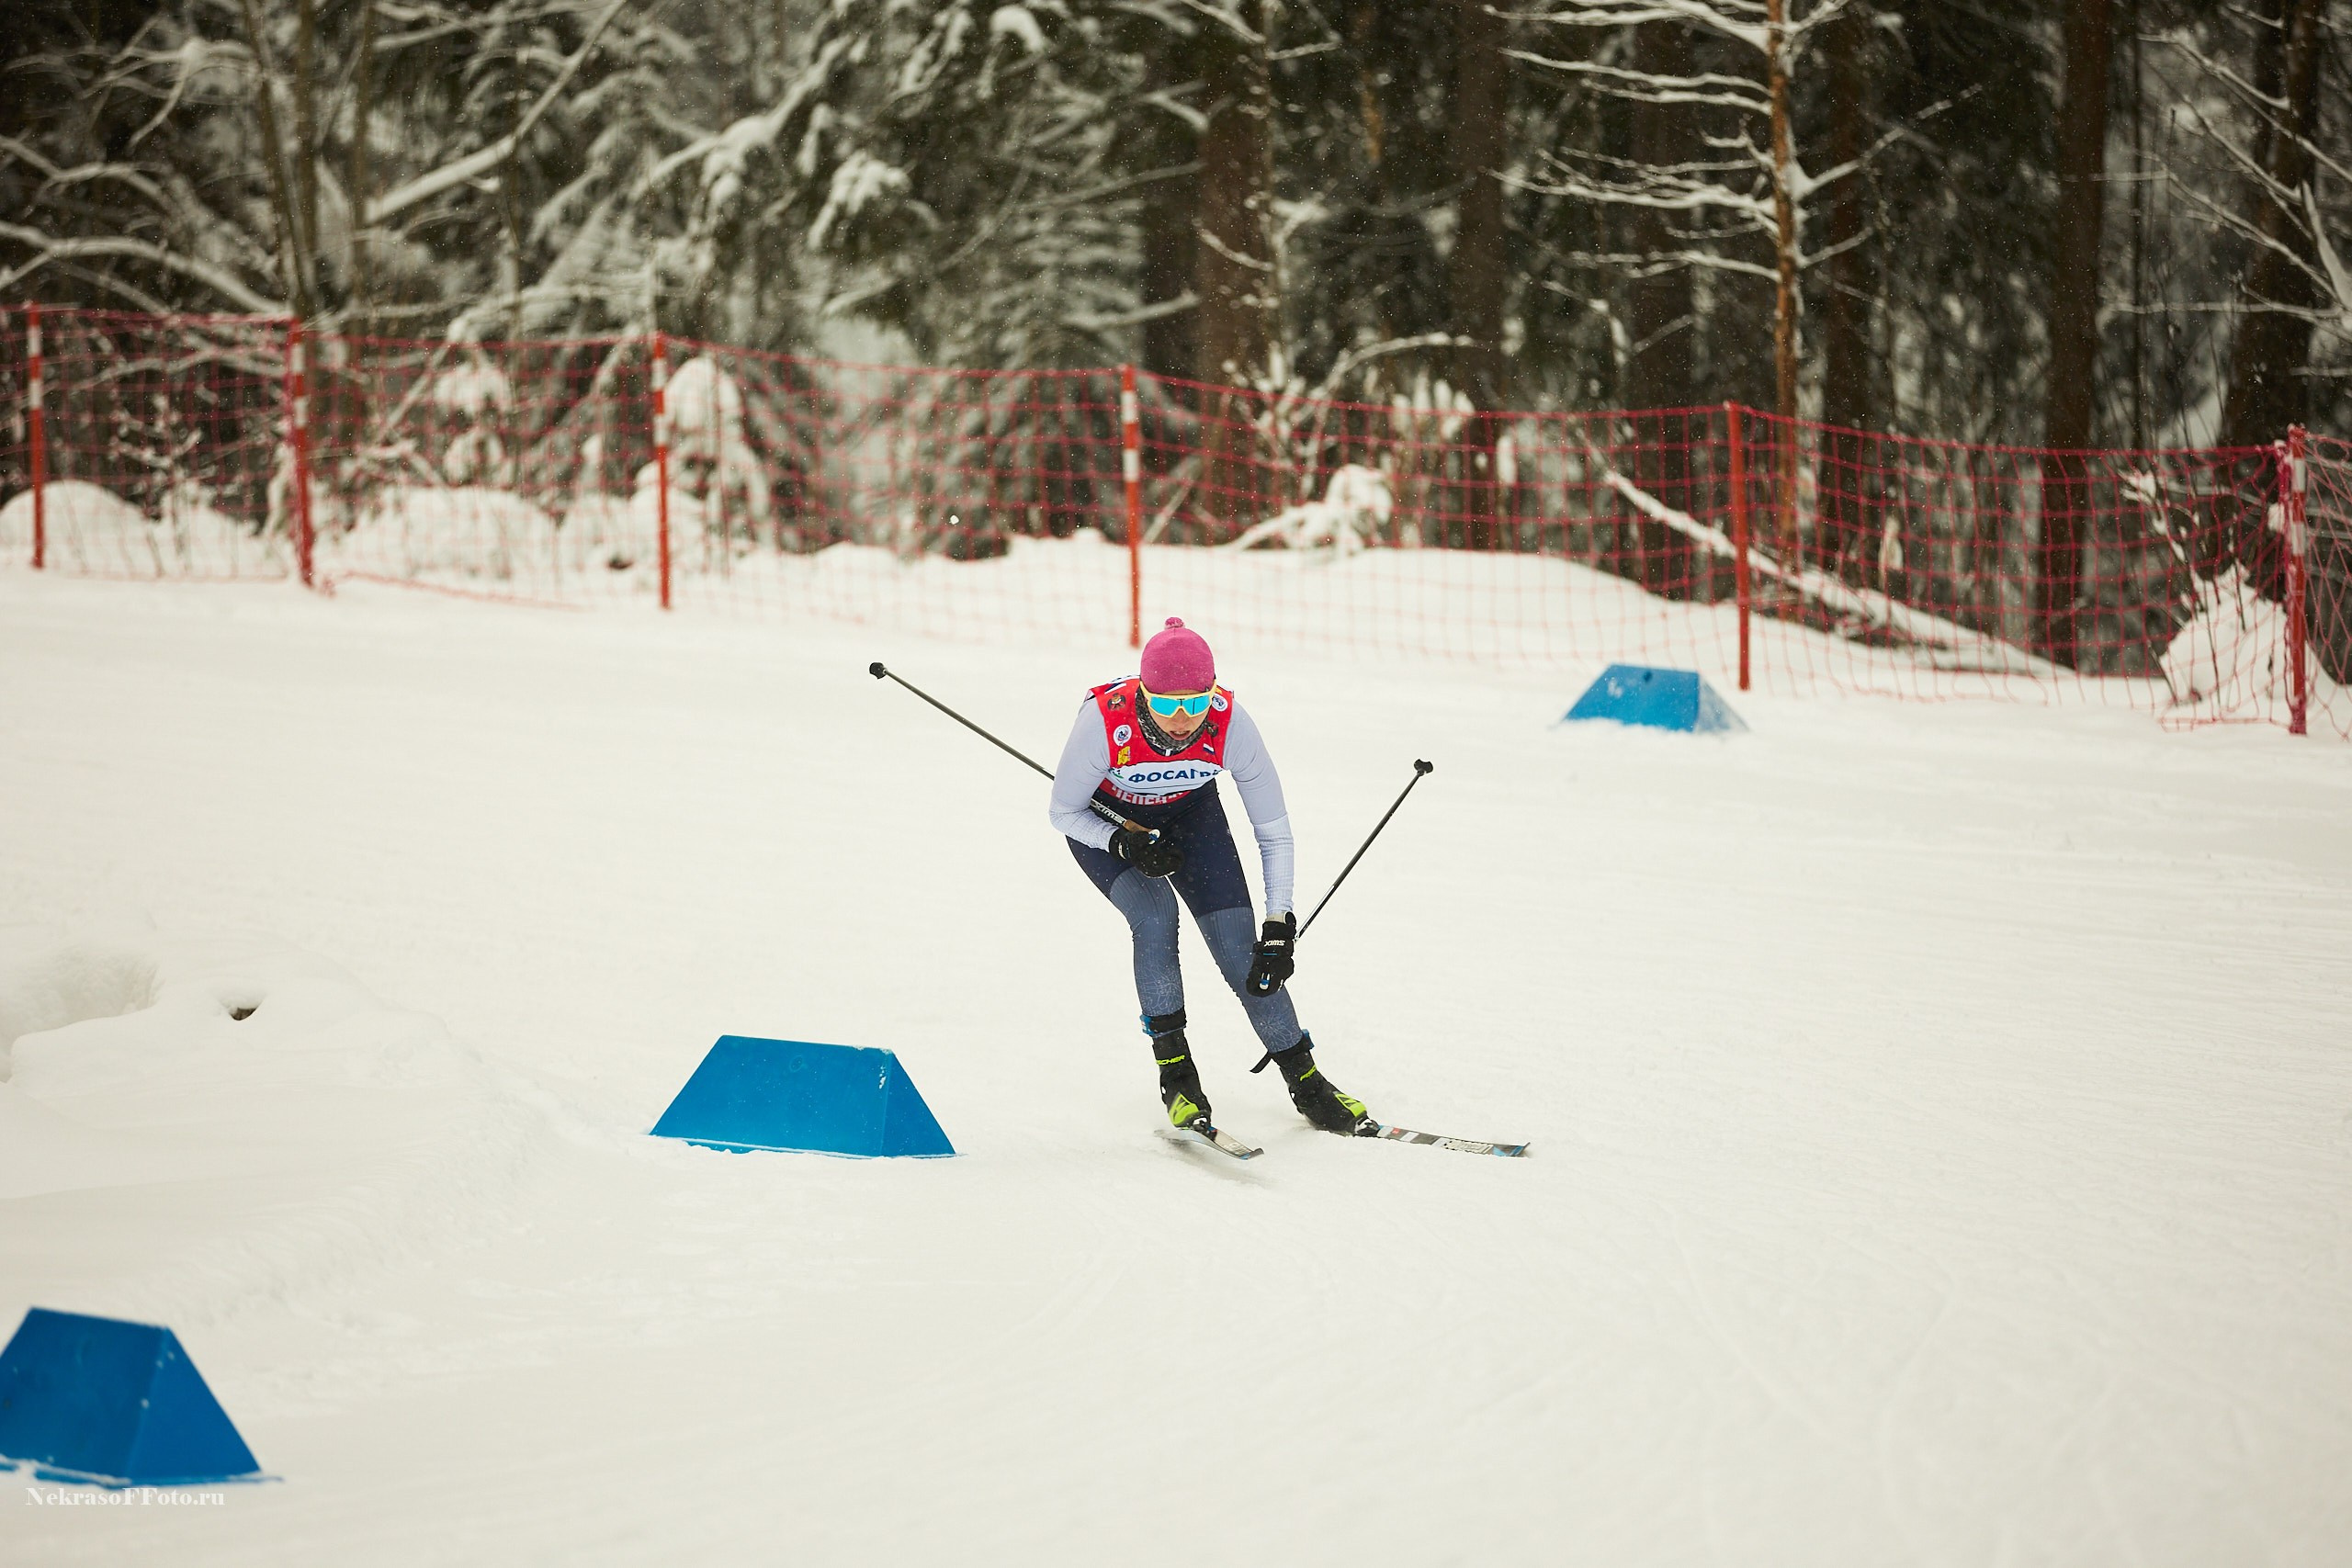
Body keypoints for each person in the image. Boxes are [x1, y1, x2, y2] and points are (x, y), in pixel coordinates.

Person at [1049, 616, 1370, 1136]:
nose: (1181, 718)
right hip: (1106, 823)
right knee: (1155, 915)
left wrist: (1279, 920)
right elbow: (1063, 812)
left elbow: (1274, 832)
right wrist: (1120, 840)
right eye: (1166, 704)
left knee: (1244, 952)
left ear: (1213, 695)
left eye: (1195, 703)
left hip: (1191, 817)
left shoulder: (1232, 724)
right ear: (1143, 694)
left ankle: (1308, 1081)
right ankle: (1177, 1075)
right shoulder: (1105, 723)